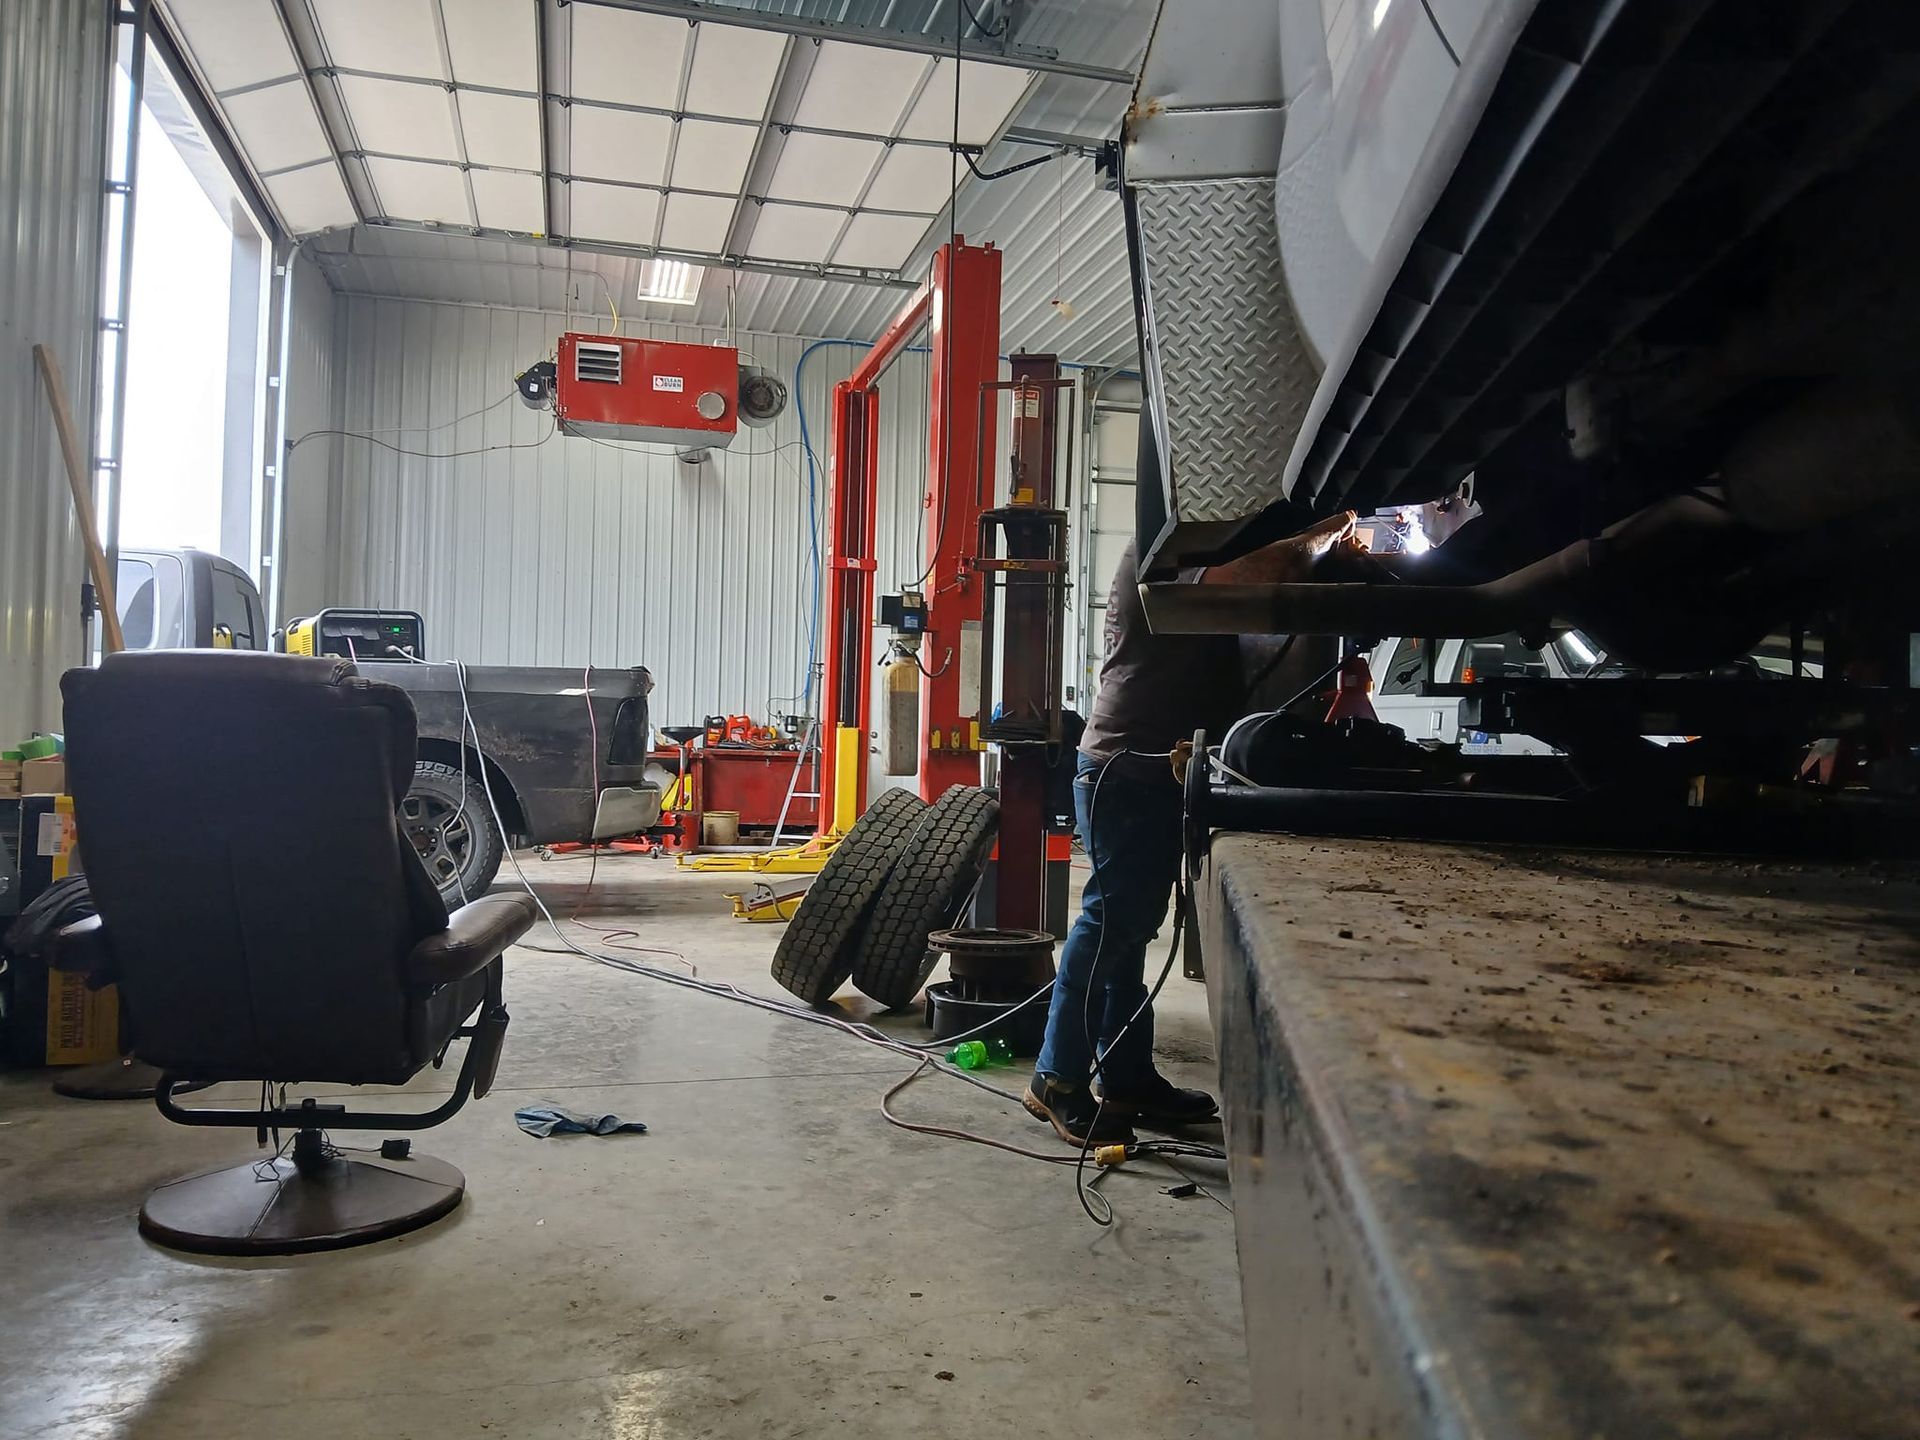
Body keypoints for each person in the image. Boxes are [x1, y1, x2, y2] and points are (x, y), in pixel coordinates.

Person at [1024, 513, 1358, 1145]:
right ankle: (1056, 1077)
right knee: (1109, 927)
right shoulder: (1164, 549)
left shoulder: (1188, 545)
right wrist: (1325, 533)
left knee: (1127, 933)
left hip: (1149, 773)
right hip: (1126, 771)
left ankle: (1124, 1077)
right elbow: (1244, 579)